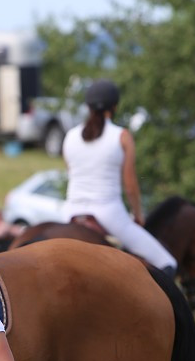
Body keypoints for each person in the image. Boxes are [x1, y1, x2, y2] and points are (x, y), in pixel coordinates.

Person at [61, 79, 177, 276]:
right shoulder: (122, 136)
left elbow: (71, 172)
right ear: (114, 107)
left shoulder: (70, 136)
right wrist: (138, 215)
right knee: (167, 263)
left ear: (88, 107)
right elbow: (130, 186)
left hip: (70, 212)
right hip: (108, 213)